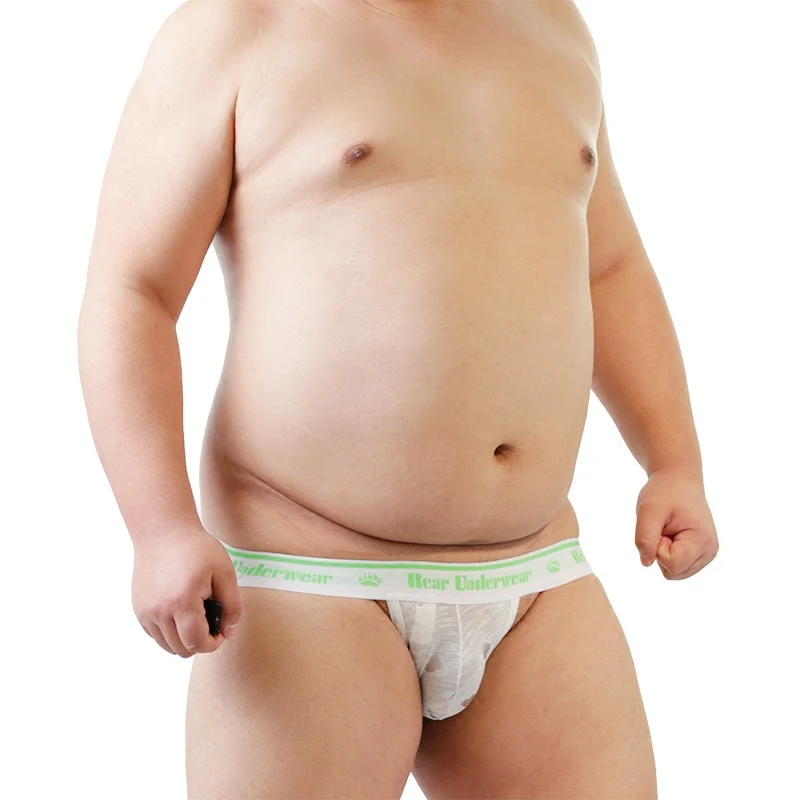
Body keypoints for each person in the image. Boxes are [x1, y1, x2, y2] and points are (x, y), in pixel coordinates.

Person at [77, 1, 719, 797]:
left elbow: (609, 266)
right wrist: (159, 527)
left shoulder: (553, 24)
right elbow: (132, 292)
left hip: (534, 574)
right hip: (310, 575)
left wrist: (673, 461)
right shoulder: (240, 29)